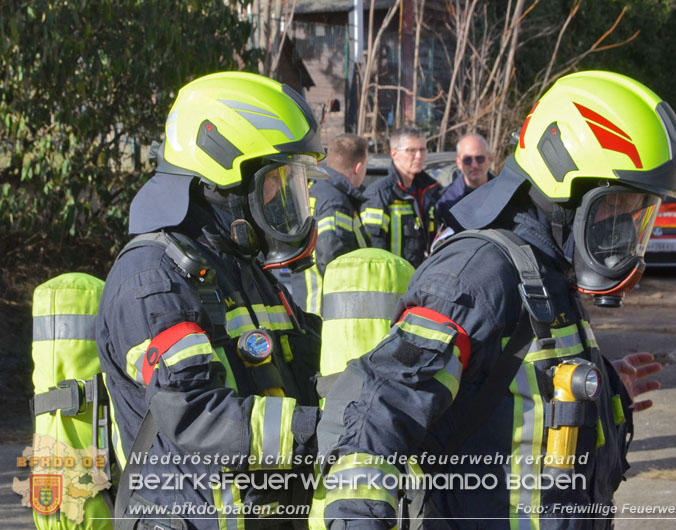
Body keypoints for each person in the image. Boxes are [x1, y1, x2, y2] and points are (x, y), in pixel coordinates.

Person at [317, 71, 676, 529]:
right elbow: (375, 417)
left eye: (637, 212)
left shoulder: (547, 273)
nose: (627, 227)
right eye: (619, 205)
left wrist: (607, 393)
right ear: (568, 189)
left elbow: (524, 407)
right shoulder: (477, 274)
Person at [96, 72, 326, 529]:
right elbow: (196, 418)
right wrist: (321, 431)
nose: (286, 198)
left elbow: (304, 370)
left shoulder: (242, 268)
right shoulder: (152, 279)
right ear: (226, 182)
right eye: (277, 181)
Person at [292, 133, 370, 314]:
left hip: (307, 299)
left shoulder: (315, 190)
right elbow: (331, 257)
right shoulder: (335, 202)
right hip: (325, 309)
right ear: (358, 168)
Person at [361, 127, 443, 268]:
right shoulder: (380, 194)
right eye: (411, 150)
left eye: (422, 150)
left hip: (422, 278)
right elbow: (373, 250)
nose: (418, 156)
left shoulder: (431, 190)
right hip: (393, 282)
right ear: (394, 153)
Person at [434, 132, 495, 229]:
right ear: (458, 163)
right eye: (467, 160)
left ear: (489, 158)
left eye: (479, 158)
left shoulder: (505, 193)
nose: (474, 165)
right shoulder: (445, 202)